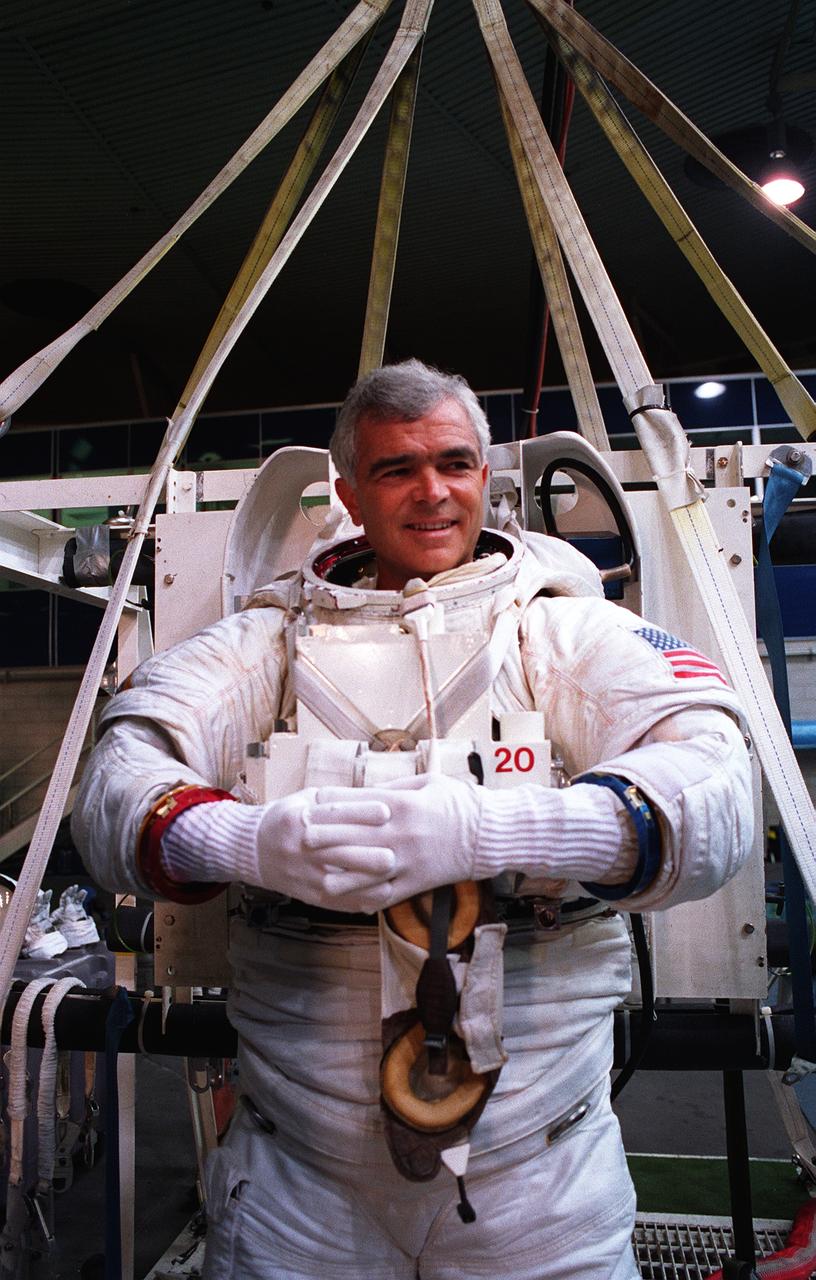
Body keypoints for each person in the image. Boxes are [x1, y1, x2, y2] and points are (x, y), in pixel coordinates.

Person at [73, 359, 753, 1280]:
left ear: (487, 477)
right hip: (298, 1184)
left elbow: (715, 785)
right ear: (349, 493)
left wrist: (500, 835)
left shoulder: (556, 629)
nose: (433, 491)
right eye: (398, 470)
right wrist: (241, 839)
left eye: (456, 463)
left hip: (538, 1185)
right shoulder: (270, 640)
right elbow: (115, 776)